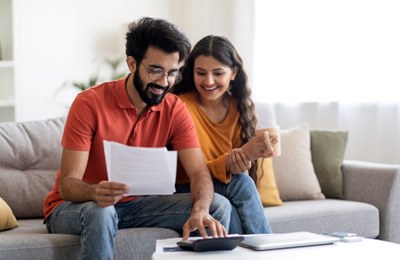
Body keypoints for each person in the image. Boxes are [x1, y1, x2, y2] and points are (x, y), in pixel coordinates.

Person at [43, 18, 231, 260]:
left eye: (172, 73)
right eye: (155, 70)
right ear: (132, 63)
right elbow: (67, 185)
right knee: (102, 211)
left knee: (217, 206)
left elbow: (199, 174)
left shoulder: (174, 108)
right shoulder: (89, 103)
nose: (164, 83)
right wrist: (95, 191)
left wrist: (201, 210)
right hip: (76, 207)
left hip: (134, 207)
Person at [172, 35, 278, 234]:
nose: (209, 81)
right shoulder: (181, 105)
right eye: (201, 73)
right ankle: (268, 248)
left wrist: (244, 160)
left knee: (233, 205)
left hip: (226, 187)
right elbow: (191, 171)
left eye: (218, 73)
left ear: (233, 73)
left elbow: (237, 174)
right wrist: (230, 163)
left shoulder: (239, 108)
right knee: (241, 184)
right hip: (187, 186)